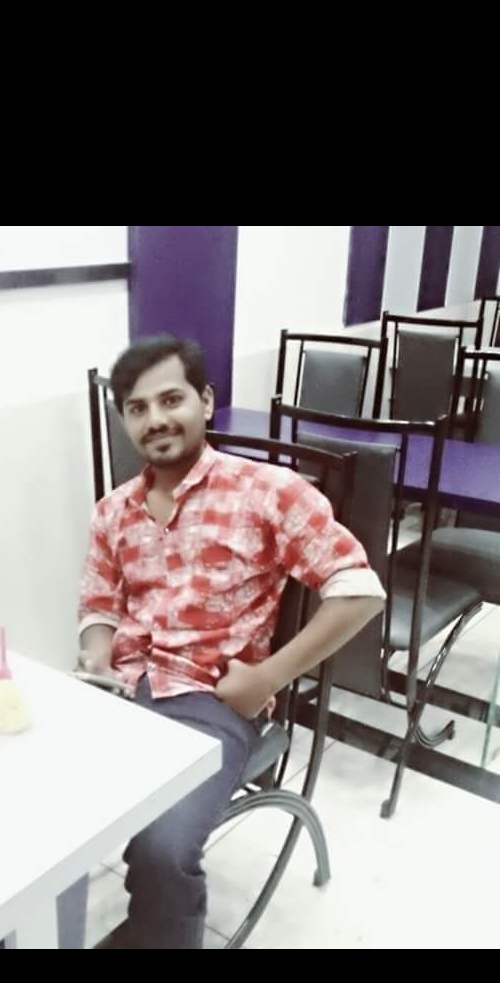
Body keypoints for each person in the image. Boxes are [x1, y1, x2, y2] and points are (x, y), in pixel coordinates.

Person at [77, 335, 386, 949]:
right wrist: (95, 652)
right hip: (122, 692)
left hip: (211, 700)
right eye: (137, 408)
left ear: (206, 400)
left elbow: (360, 590)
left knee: (162, 848)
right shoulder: (113, 511)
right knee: (25, 803)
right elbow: (99, 603)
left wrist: (268, 678)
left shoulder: (267, 491)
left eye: (171, 399)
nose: (156, 418)